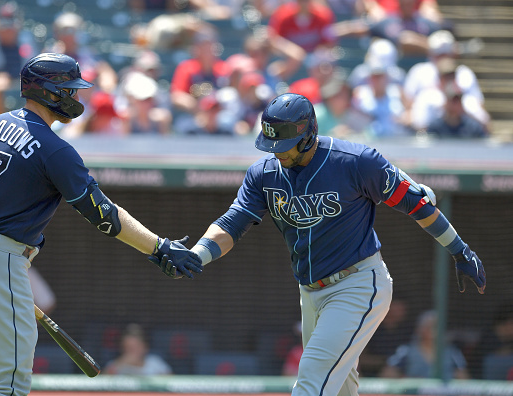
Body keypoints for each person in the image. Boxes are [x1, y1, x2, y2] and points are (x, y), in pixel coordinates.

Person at [162, 92, 486, 395]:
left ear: (308, 134)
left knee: (311, 381)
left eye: (286, 144)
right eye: (272, 144)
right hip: (310, 293)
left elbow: (418, 204)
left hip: (358, 283)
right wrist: (198, 254)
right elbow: (232, 224)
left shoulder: (355, 161)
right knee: (340, 388)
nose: (278, 152)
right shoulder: (263, 174)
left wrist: (460, 249)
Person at [0, 53, 202, 396]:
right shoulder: (54, 149)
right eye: (70, 89)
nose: (77, 97)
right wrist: (158, 245)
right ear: (50, 92)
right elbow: (104, 215)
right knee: (9, 385)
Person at [379, 310, 470, 379]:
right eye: (429, 326)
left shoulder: (452, 352)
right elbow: (387, 374)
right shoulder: (406, 351)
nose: (433, 330)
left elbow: (463, 379)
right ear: (419, 329)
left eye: (437, 326)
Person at [103, 323, 172, 375]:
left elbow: (172, 382)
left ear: (144, 348)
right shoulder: (116, 365)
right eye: (127, 347)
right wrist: (120, 364)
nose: (131, 351)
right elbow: (102, 382)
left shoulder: (155, 363)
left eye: (134, 347)